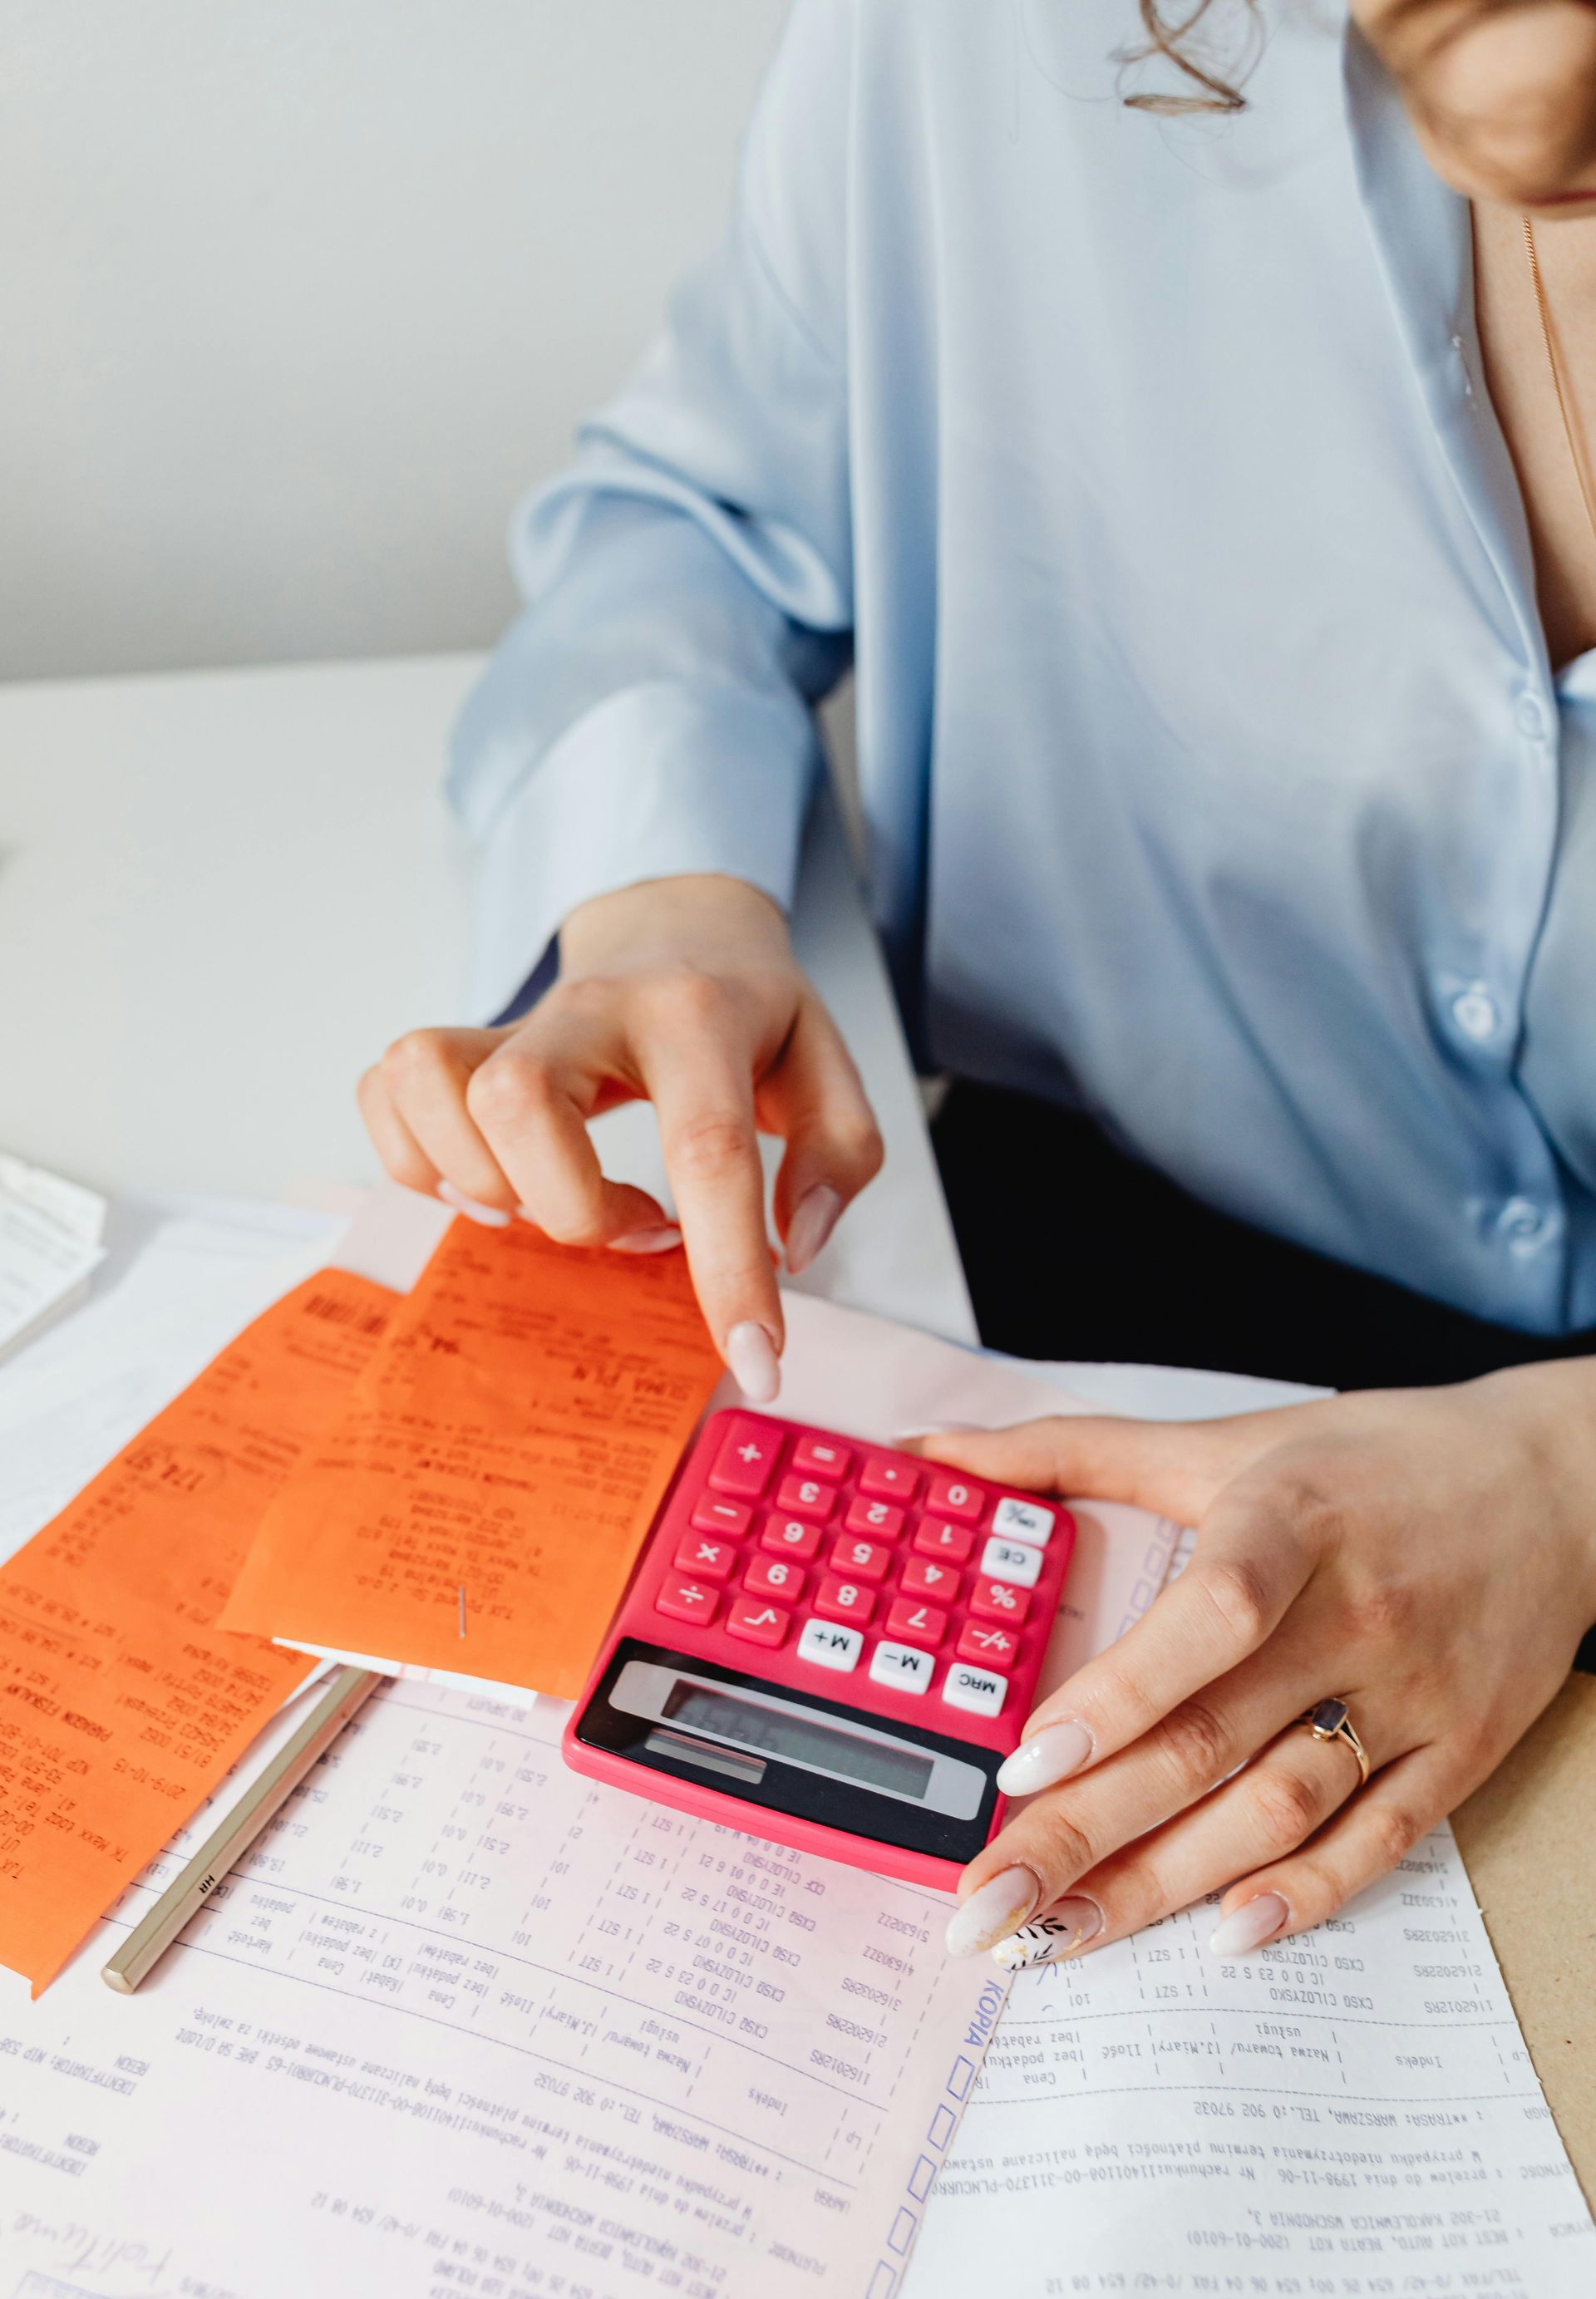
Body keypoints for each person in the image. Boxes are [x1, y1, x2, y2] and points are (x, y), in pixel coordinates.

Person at [358, 0, 1596, 1966]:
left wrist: (1569, 1472)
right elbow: (684, 529)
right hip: (1059, 1266)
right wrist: (667, 895)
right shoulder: (986, 40)